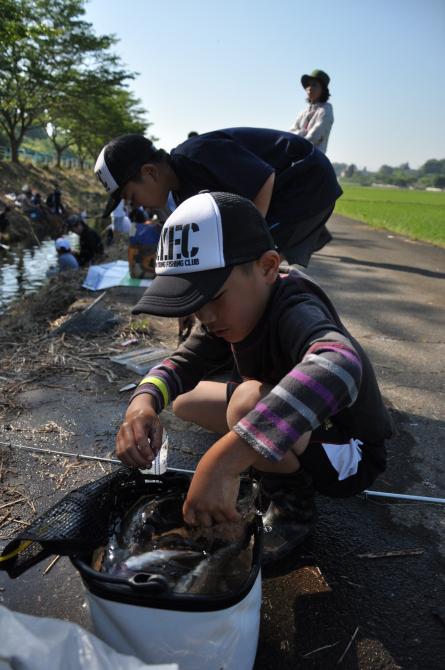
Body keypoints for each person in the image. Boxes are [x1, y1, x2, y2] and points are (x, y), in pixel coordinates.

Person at [115, 192, 393, 564]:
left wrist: (225, 460)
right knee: (185, 401)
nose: (206, 316)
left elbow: (340, 363)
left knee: (246, 403)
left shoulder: (295, 306)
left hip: (349, 452)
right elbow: (180, 364)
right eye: (194, 301)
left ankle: (291, 508)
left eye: (214, 296)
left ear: (267, 267)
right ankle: (265, 457)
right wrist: (141, 405)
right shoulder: (232, 310)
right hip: (301, 427)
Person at [94, 127, 342, 267]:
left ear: (149, 173)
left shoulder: (197, 154)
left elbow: (264, 177)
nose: (134, 205)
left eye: (131, 196)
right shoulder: (182, 194)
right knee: (242, 261)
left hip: (306, 179)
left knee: (251, 260)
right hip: (289, 188)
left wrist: (252, 237)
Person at [289, 69, 334, 155]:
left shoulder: (326, 109)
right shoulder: (303, 112)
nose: (309, 88)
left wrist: (297, 137)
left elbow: (314, 136)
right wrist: (302, 133)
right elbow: (290, 132)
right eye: (308, 85)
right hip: (297, 155)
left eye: (314, 85)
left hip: (314, 158)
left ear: (323, 89)